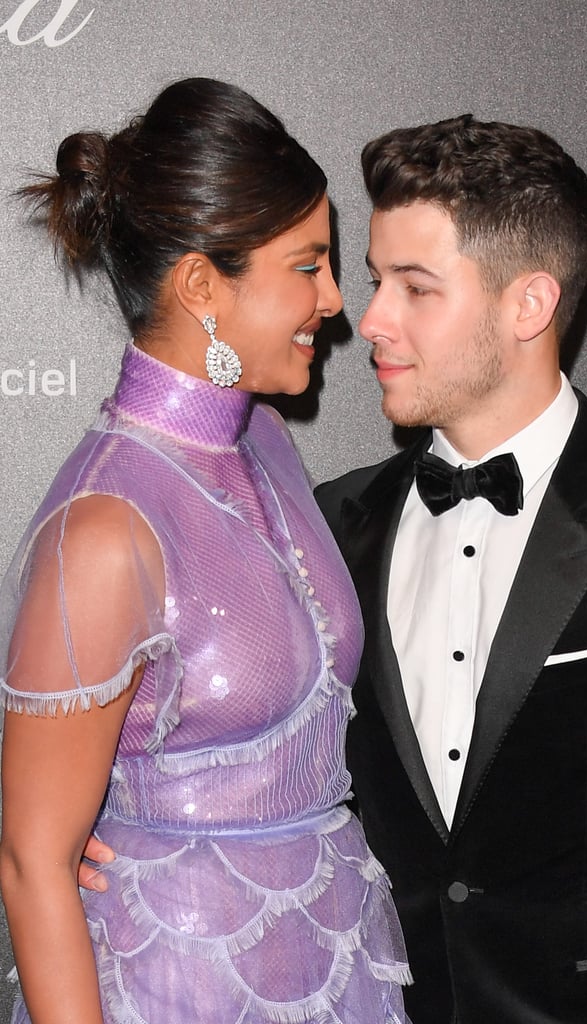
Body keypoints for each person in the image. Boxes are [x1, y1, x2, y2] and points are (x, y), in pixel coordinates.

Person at [0, 78, 411, 1024]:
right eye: (307, 266)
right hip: (175, 986)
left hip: (327, 958)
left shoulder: (261, 439)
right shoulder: (105, 529)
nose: (337, 302)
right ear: (200, 285)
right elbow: (33, 864)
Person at [315, 116, 587, 1023]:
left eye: (415, 288)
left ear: (528, 304)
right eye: (374, 282)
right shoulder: (326, 524)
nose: (369, 321)